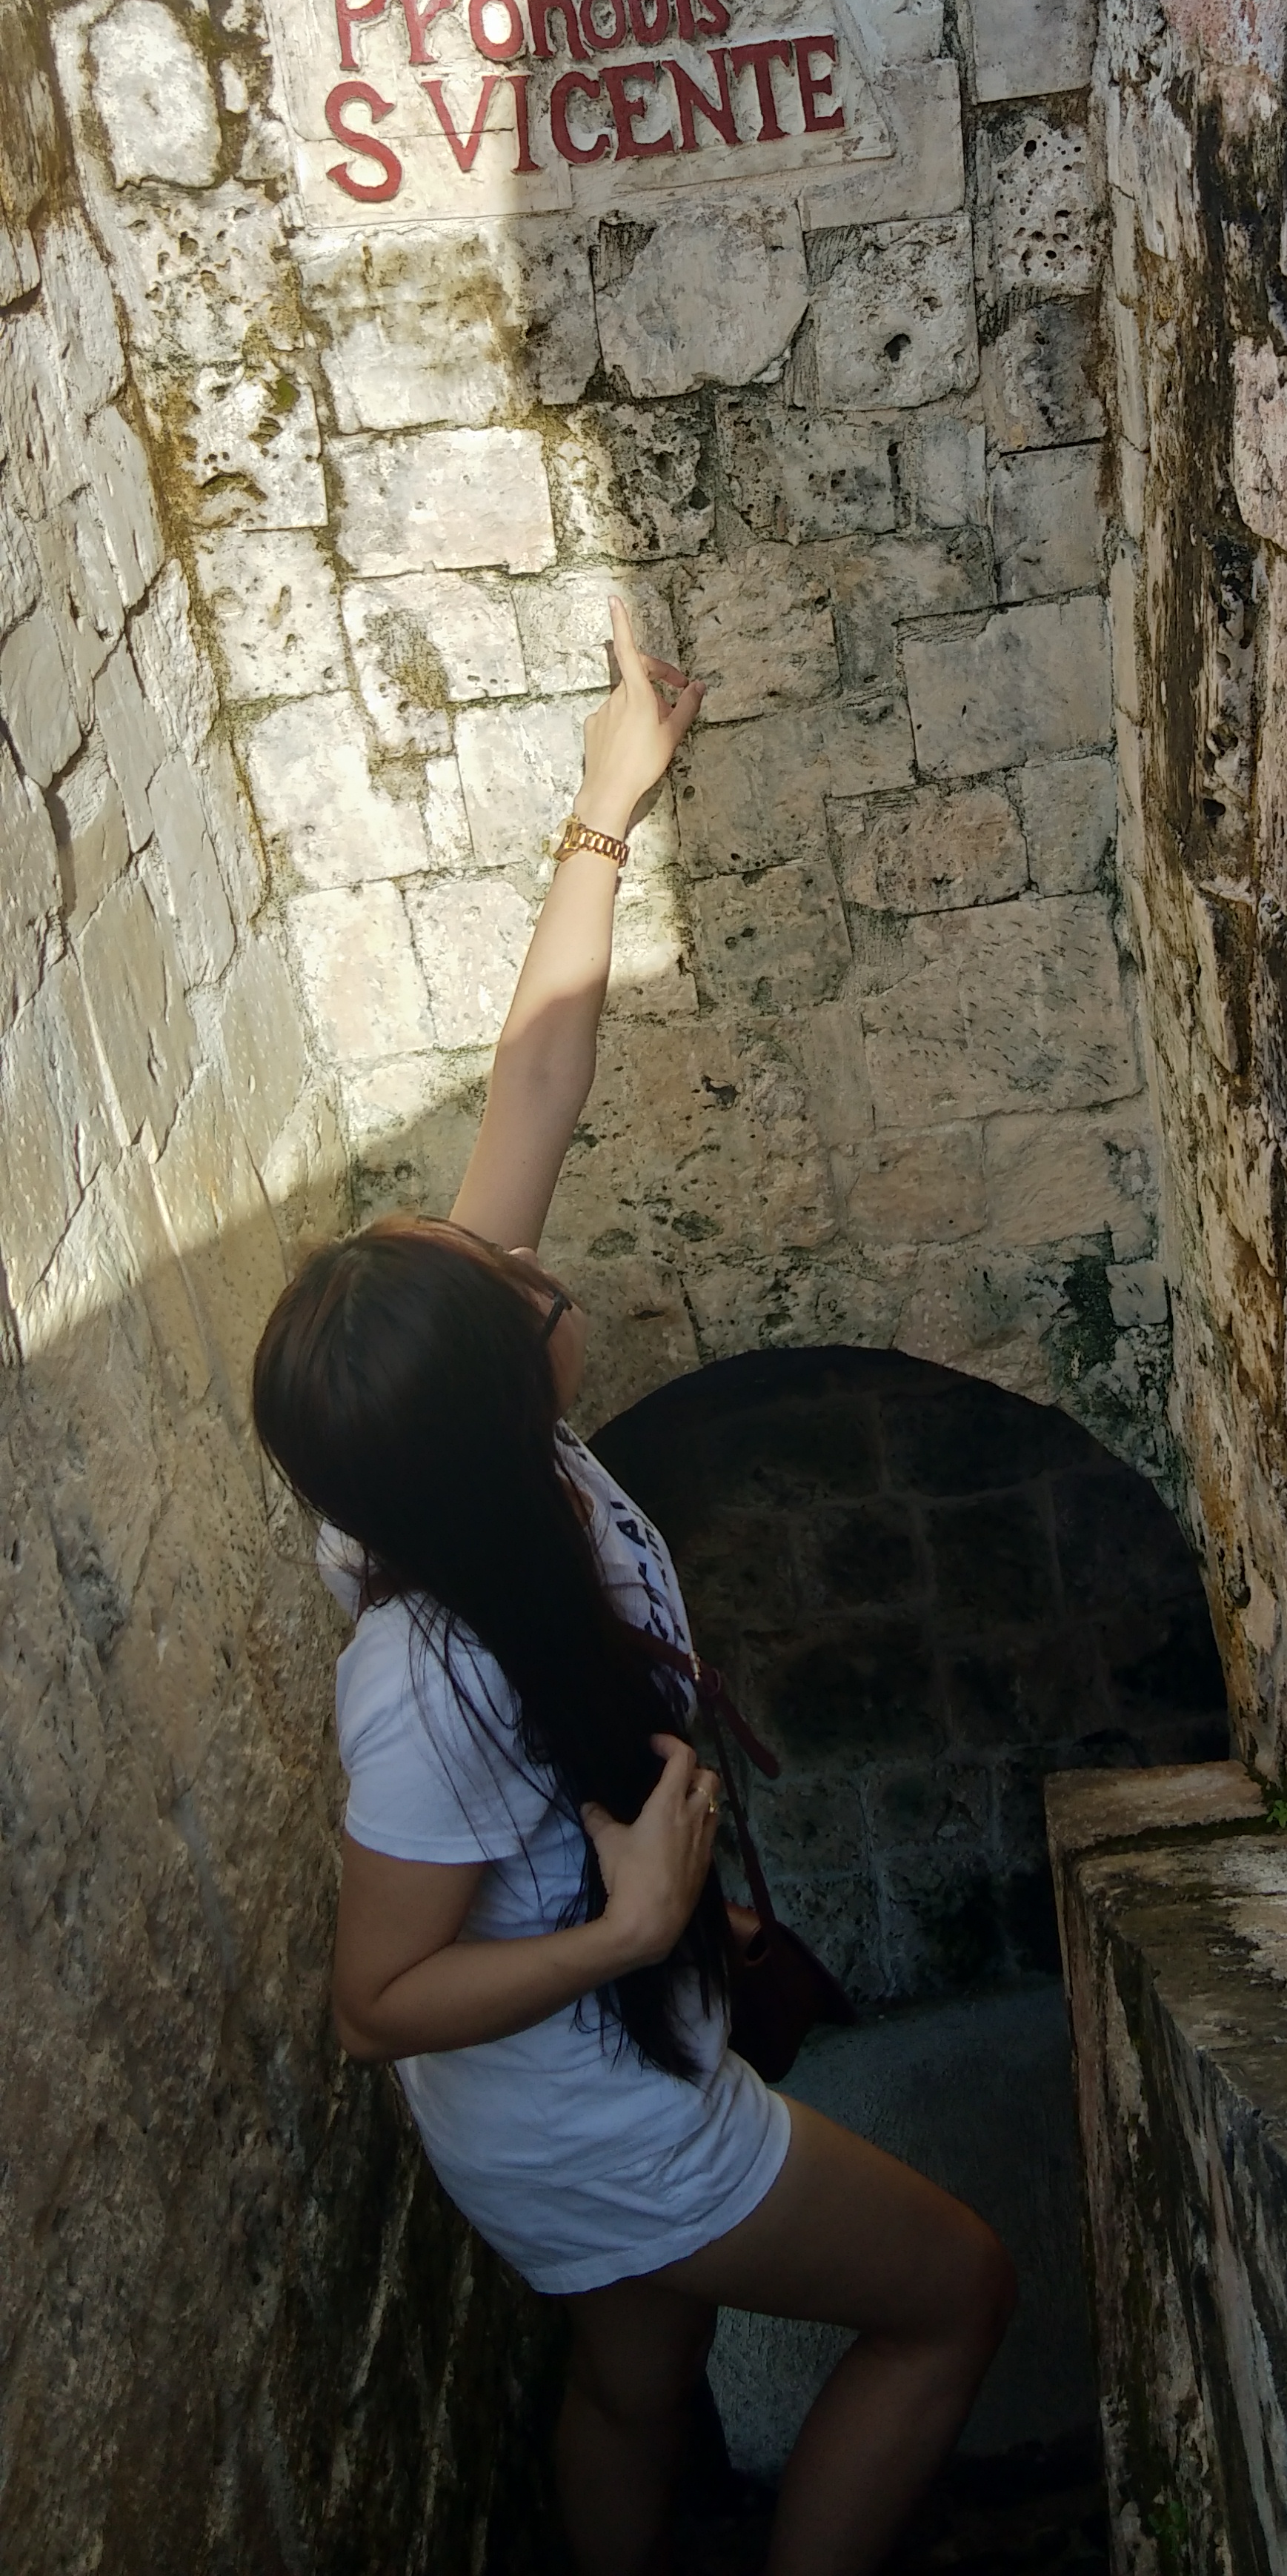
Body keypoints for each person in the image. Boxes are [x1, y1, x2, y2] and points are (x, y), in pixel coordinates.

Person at [251, 597, 1015, 2576]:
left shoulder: (450, 1473)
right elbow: (374, 2001)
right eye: (513, 1284)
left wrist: (608, 801)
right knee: (953, 2293)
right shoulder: (424, 1676)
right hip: (601, 2112)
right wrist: (636, 1927)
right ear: (508, 1390)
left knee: (634, 2385)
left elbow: (536, 1085)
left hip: (584, 2091)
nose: (534, 1258)